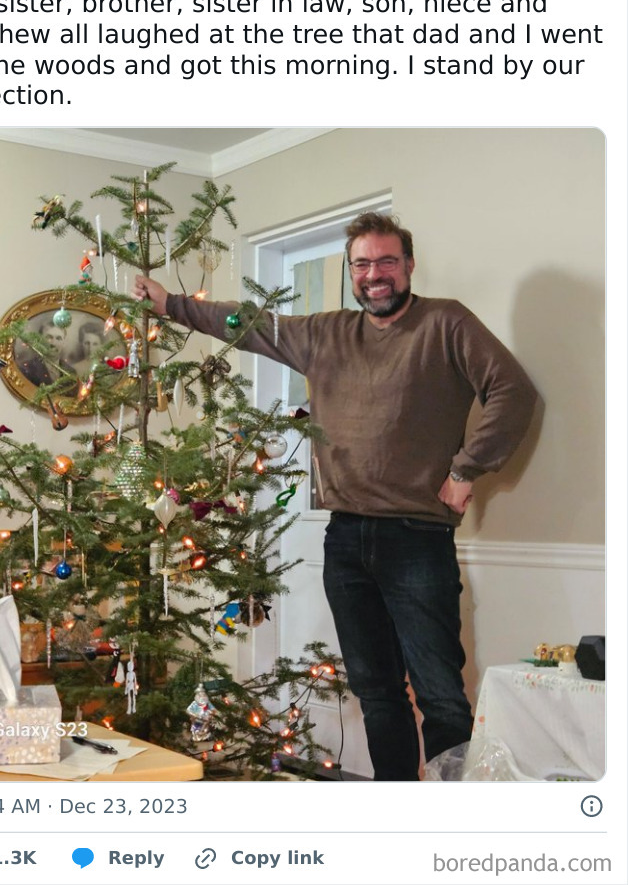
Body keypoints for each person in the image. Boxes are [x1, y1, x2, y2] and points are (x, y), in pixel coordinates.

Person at [133, 212, 538, 780]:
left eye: (387, 261)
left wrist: (466, 470)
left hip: (418, 538)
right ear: (351, 271)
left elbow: (513, 391)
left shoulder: (445, 322)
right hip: (345, 538)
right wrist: (172, 305)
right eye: (362, 264)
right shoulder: (324, 334)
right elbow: (248, 322)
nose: (375, 274)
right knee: (377, 693)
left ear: (409, 265)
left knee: (441, 695)